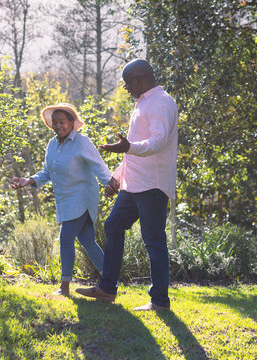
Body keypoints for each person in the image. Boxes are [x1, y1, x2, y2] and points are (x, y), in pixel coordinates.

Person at [76, 59, 178, 311]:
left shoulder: (161, 102)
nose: (127, 89)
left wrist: (128, 146)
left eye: (127, 84)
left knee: (153, 240)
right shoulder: (143, 103)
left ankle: (159, 301)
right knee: (113, 226)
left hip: (152, 185)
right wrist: (116, 177)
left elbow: (157, 142)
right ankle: (107, 289)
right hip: (133, 185)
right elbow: (133, 149)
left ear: (140, 79)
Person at [11, 103, 112, 296]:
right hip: (65, 199)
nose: (58, 126)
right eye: (54, 122)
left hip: (82, 197)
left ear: (72, 123)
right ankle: (109, 282)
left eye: (62, 122)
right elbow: (48, 172)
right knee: (88, 241)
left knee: (65, 238)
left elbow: (99, 166)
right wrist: (28, 180)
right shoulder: (52, 144)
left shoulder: (82, 142)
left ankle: (64, 288)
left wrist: (111, 184)